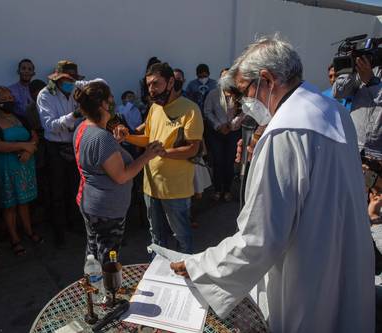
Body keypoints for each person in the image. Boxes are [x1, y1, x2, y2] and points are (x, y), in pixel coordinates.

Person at [169, 35, 374, 332]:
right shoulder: (333, 111)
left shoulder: (285, 133)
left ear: (266, 79)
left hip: (306, 282)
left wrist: (198, 265)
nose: (243, 104)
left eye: (244, 93)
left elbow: (259, 239)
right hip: (346, 264)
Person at [116, 62, 204, 254]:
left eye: (156, 84)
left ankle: (182, 280)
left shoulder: (190, 109)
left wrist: (164, 153)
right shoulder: (155, 108)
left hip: (176, 190)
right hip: (151, 186)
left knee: (182, 238)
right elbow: (149, 138)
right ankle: (157, 278)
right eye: (148, 85)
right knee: (156, 238)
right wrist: (128, 137)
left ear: (171, 82)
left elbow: (193, 149)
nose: (151, 89)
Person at [73, 82, 163, 264]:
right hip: (107, 209)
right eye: (110, 99)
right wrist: (147, 155)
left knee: (93, 252)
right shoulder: (102, 137)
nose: (113, 103)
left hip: (91, 204)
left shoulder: (83, 127)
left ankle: (93, 286)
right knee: (108, 257)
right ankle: (107, 290)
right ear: (103, 105)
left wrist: (116, 145)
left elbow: (97, 160)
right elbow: (121, 176)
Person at [37, 60, 103, 247]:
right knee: (57, 190)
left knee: (78, 186)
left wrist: (89, 88)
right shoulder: (45, 95)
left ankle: (76, 224)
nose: (70, 82)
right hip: (55, 147)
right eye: (67, 79)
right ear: (57, 79)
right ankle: (59, 231)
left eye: (73, 79)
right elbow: (50, 125)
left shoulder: (77, 88)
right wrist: (74, 115)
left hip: (75, 144)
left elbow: (101, 83)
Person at [0, 87, 42, 256]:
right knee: (10, 204)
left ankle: (29, 231)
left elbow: (34, 137)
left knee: (24, 202)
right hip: (7, 166)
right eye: (4, 98)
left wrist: (28, 150)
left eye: (10, 97)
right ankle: (14, 238)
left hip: (25, 164)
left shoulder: (21, 118)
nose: (9, 100)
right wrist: (23, 146)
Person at [203, 69, 244, 202]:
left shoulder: (239, 95)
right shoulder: (213, 94)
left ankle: (227, 189)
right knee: (218, 161)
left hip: (233, 132)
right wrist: (219, 126)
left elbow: (244, 112)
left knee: (229, 161)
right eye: (223, 77)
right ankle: (217, 189)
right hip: (217, 133)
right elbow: (208, 111)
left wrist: (231, 125)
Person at [333, 56, 382, 154]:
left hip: (378, 153)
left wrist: (372, 82)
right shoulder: (368, 66)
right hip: (353, 146)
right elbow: (339, 92)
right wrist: (350, 67)